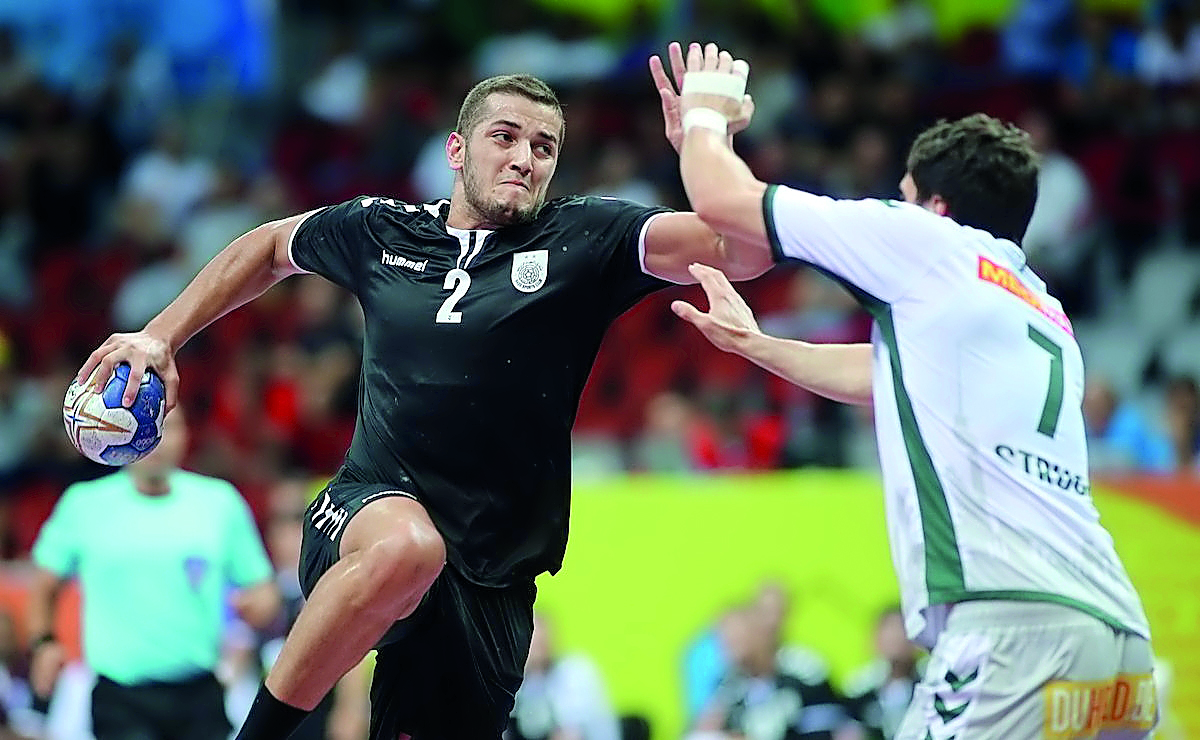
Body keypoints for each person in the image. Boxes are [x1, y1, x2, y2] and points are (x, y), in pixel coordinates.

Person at [74, 61, 769, 739]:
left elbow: (742, 250)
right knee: (409, 548)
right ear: (457, 150)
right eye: (505, 136)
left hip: (492, 577)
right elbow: (270, 246)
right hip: (366, 513)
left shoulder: (586, 239)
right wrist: (162, 335)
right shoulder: (384, 230)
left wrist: (706, 146)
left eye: (544, 146)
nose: (524, 158)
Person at [669, 42, 1157, 739]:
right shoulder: (1037, 307)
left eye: (900, 196)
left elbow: (722, 199)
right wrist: (761, 346)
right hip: (1116, 636)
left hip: (1011, 624)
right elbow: (887, 381)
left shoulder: (929, 244)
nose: (891, 207)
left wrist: (703, 119)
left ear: (934, 205)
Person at [27, 408, 280, 740]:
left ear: (186, 435)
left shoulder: (220, 503)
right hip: (120, 697)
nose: (153, 441)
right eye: (140, 430)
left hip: (200, 693)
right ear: (119, 436)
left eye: (166, 428)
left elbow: (264, 591)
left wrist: (259, 606)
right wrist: (44, 643)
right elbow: (44, 583)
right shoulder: (83, 505)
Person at [506, 611, 620, 740]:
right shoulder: (513, 681)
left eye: (540, 642)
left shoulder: (576, 673)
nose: (536, 649)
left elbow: (571, 733)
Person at [843, 607, 923, 740]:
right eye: (888, 630)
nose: (895, 637)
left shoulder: (929, 686)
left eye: (900, 629)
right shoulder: (858, 692)